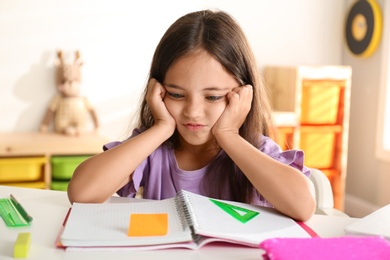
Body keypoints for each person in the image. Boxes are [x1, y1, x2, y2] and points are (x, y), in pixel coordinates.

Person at [67, 9, 316, 221]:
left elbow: (303, 207)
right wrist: (162, 127)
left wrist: (228, 135)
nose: (193, 112)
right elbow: (82, 194)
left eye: (213, 97)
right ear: (158, 91)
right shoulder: (153, 149)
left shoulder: (255, 151)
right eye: (176, 94)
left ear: (243, 95)